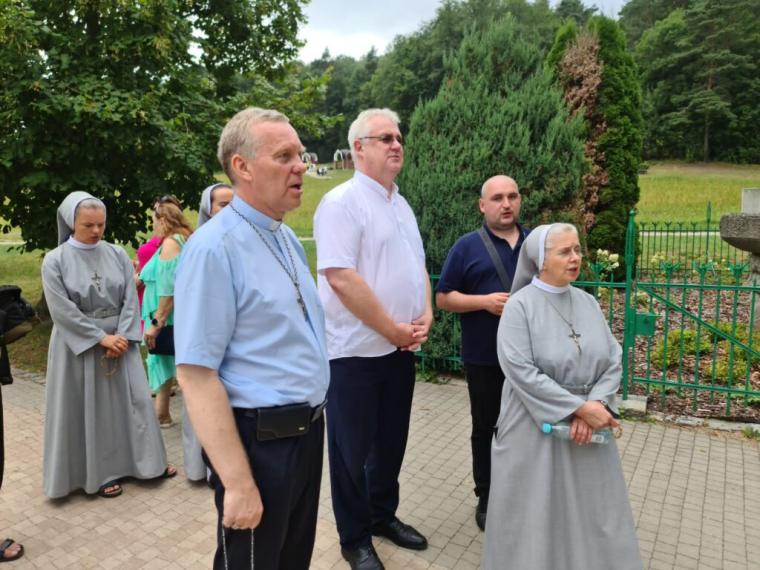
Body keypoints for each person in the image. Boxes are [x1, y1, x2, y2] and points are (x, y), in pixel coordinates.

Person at [174, 107, 329, 570]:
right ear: (242, 166)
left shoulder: (285, 238)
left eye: (299, 154)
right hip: (259, 445)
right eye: (284, 156)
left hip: (307, 434)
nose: (300, 166)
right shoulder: (213, 248)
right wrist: (238, 483)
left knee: (291, 560)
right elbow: (196, 375)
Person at [483, 223, 642, 570]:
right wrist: (576, 409)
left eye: (577, 250)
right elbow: (520, 370)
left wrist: (597, 404)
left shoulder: (587, 302)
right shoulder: (519, 306)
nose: (575, 258)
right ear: (541, 260)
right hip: (533, 429)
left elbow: (613, 357)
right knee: (537, 512)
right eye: (564, 251)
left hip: (589, 428)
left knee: (593, 510)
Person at [314, 108, 432, 570]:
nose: (396, 144)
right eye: (385, 138)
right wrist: (391, 328)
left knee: (391, 442)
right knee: (351, 451)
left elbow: (418, 266)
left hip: (400, 349)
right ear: (359, 148)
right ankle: (354, 538)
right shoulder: (341, 203)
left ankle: (382, 515)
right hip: (355, 355)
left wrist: (426, 312)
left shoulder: (401, 204)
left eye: (398, 136)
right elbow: (341, 278)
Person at [41, 191, 175, 500]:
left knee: (134, 403)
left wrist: (123, 335)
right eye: (88, 225)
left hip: (121, 341)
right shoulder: (55, 261)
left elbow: (130, 296)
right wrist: (100, 338)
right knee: (90, 411)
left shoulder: (116, 253)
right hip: (80, 347)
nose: (96, 231)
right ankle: (98, 474)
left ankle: (146, 464)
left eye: (100, 224)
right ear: (70, 223)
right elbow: (61, 310)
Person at [435, 175, 528, 530]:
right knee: (485, 426)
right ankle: (487, 495)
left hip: (530, 359)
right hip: (484, 357)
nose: (506, 204)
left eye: (512, 196)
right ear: (482, 205)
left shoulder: (536, 244)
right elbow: (444, 298)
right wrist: (484, 302)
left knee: (529, 427)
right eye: (498, 198)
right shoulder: (466, 246)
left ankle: (524, 491)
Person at [140, 202, 193, 428]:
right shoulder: (183, 238)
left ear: (162, 220)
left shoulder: (172, 242)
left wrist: (157, 322)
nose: (153, 225)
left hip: (165, 314)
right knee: (168, 359)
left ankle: (163, 415)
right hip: (168, 312)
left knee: (163, 358)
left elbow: (168, 288)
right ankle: (162, 413)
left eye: (154, 220)